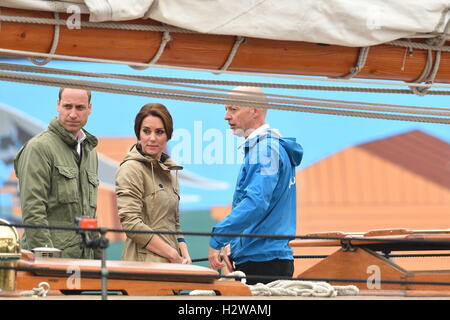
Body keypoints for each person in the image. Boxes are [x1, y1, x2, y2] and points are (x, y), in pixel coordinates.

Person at [208, 86, 303, 285]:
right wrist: (235, 244)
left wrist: (219, 237)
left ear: (254, 110)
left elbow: (256, 203)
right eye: (225, 109)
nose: (226, 116)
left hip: (262, 262)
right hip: (266, 257)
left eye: (233, 109)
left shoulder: (265, 150)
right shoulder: (270, 147)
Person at [14, 87, 100, 259]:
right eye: (68, 106)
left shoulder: (90, 152)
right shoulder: (39, 148)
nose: (73, 114)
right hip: (52, 264)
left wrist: (98, 260)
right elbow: (33, 211)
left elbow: (90, 215)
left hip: (83, 263)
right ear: (58, 105)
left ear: (89, 108)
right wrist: (47, 261)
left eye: (80, 107)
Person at [115, 103, 191, 264]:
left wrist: (185, 255)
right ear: (138, 134)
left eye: (159, 132)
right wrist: (172, 255)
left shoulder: (170, 172)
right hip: (142, 267)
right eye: (146, 131)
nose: (152, 138)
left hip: (173, 266)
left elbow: (174, 224)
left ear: (168, 136)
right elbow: (130, 223)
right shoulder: (131, 169)